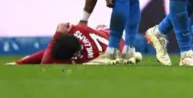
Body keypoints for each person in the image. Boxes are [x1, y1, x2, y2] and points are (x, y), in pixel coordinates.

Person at [7, 23, 141, 65]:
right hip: (97, 33)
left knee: (126, 54)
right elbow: (51, 53)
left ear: (76, 54)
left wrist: (56, 35)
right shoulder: (73, 29)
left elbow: (45, 62)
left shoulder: (91, 55)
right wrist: (20, 63)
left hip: (112, 36)